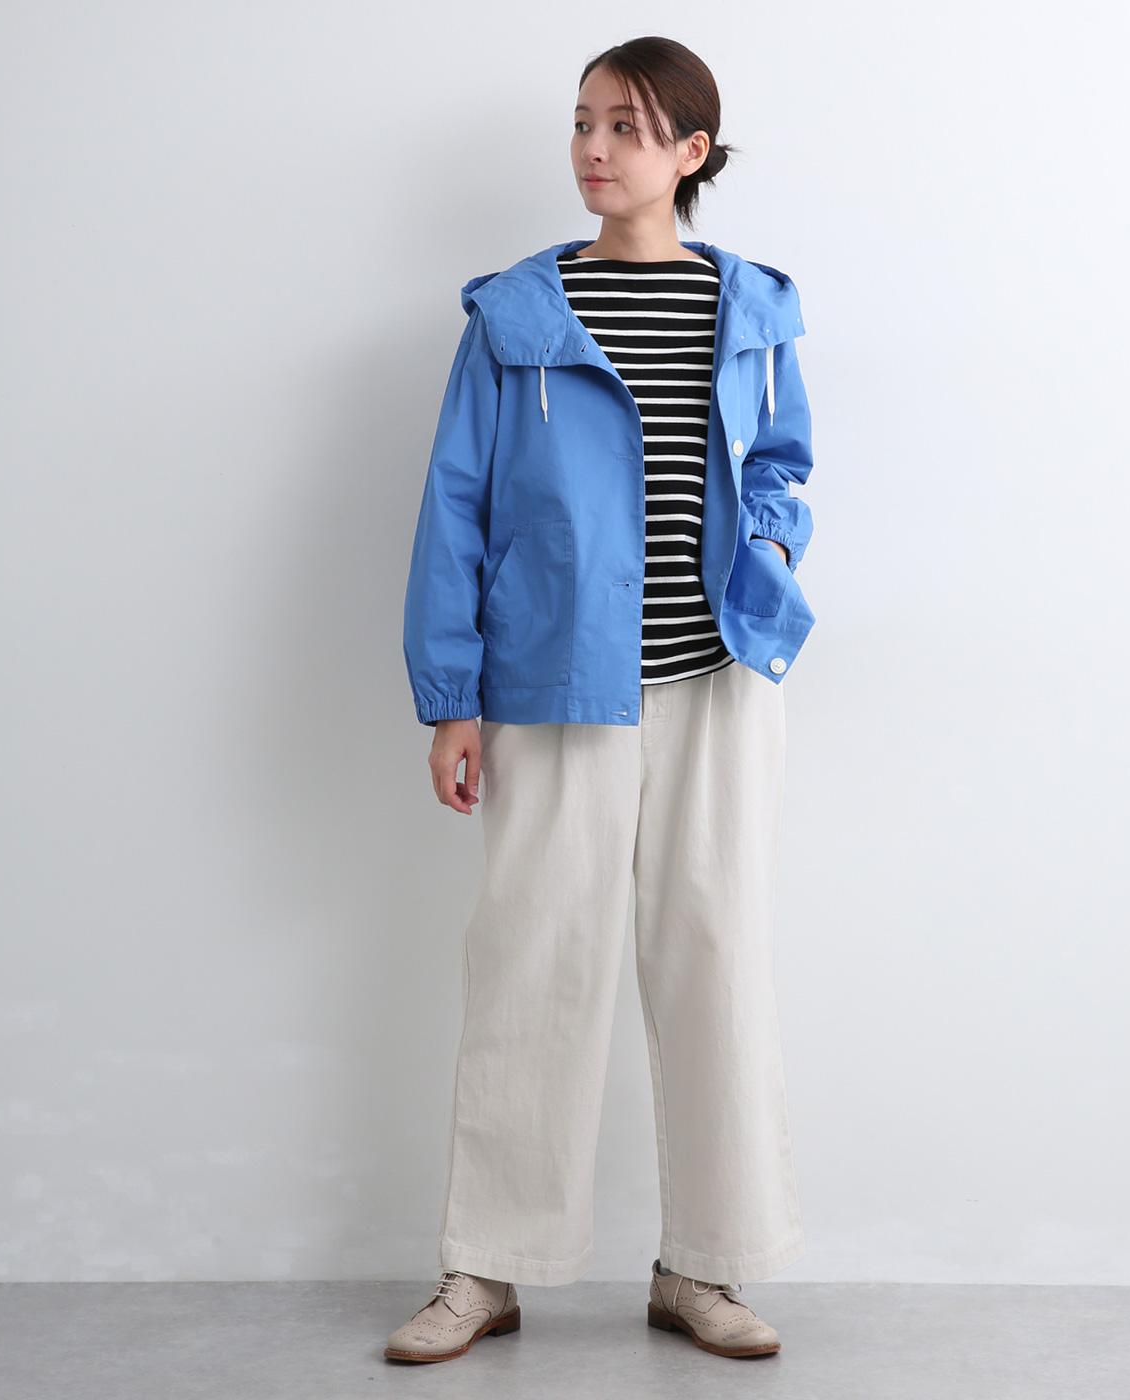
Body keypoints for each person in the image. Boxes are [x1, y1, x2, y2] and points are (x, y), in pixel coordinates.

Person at [387, 35, 817, 1365]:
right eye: (583, 122)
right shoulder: (518, 315)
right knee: (534, 964)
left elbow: (785, 458)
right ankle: (487, 1269)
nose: (593, 149)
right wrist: (452, 697)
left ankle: (706, 1267)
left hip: (717, 683)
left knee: (715, 957)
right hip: (552, 683)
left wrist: (774, 547)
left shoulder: (752, 307)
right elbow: (456, 505)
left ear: (690, 152)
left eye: (627, 127)